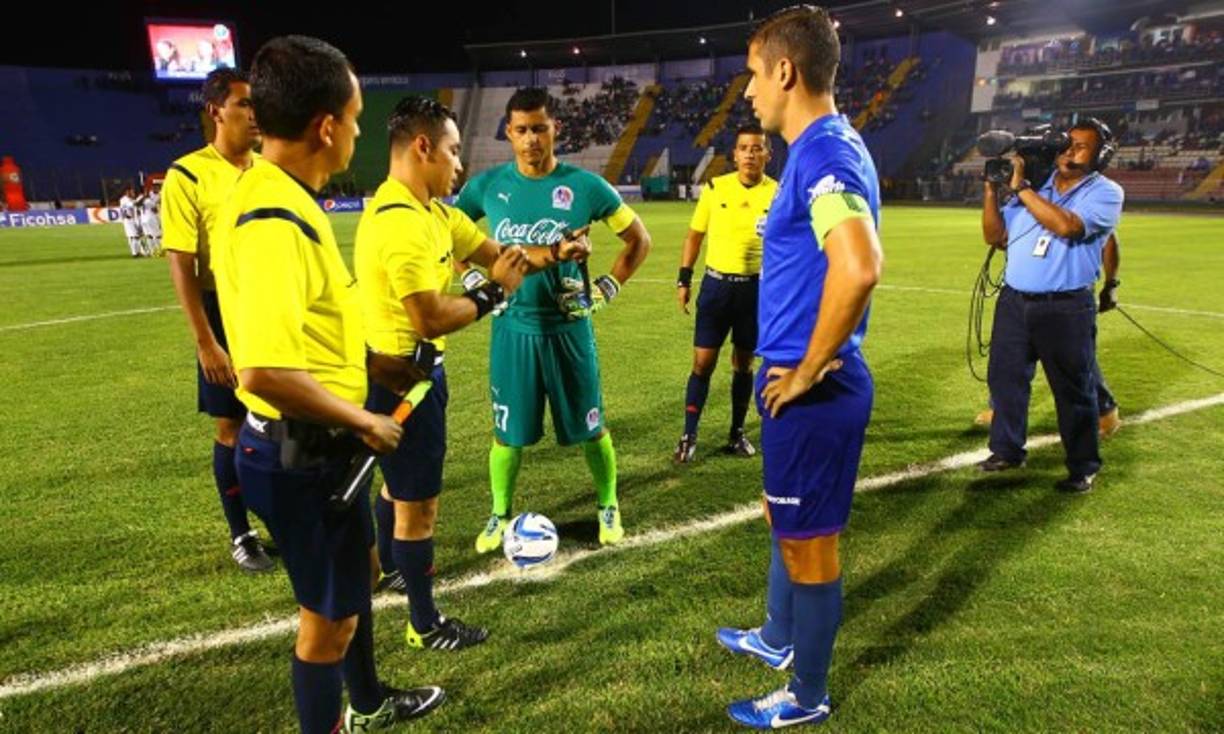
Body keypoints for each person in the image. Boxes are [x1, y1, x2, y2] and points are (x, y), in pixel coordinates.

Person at [212, 36, 444, 733]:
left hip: (314, 451)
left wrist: (372, 369)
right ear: (326, 126)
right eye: (357, 116)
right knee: (325, 627)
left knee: (358, 579)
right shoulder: (273, 220)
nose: (360, 131)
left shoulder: (281, 193)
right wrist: (364, 417)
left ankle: (368, 702)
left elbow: (306, 332)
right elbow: (264, 371)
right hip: (299, 457)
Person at [356, 95, 592, 650]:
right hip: (400, 383)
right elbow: (430, 314)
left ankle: (385, 567)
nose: (461, 166)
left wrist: (556, 252)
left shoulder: (432, 212)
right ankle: (423, 623)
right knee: (419, 506)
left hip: (413, 374)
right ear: (422, 147)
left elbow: (501, 253)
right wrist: (494, 297)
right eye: (453, 152)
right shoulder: (401, 224)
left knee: (396, 488)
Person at [715, 6, 883, 728]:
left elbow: (860, 265)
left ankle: (806, 694)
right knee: (784, 523)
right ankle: (779, 638)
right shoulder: (821, 149)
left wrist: (812, 366)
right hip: (794, 383)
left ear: (786, 70)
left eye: (754, 73)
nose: (749, 90)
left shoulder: (824, 155)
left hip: (812, 391)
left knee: (810, 549)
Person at [453, 87, 652, 552]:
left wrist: (606, 287)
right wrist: (472, 282)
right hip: (512, 329)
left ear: (554, 128)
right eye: (521, 130)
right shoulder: (487, 186)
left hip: (568, 329)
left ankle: (608, 503)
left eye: (539, 128)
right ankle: (499, 513)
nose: (531, 140)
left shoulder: (586, 187)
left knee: (591, 426)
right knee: (507, 434)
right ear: (508, 133)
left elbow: (638, 240)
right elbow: (445, 234)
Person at [162, 68, 275, 572]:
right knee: (230, 426)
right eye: (245, 105)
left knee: (280, 418)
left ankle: (283, 517)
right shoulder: (187, 175)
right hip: (220, 310)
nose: (255, 114)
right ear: (215, 111)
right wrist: (206, 341)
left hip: (269, 304)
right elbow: (181, 264)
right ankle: (242, 534)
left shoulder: (268, 169)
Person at [977, 116, 1124, 493]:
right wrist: (992, 190)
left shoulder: (1105, 192)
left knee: (1072, 389)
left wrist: (1023, 188)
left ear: (1100, 155)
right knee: (1006, 380)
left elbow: (1069, 227)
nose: (1069, 152)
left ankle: (1083, 466)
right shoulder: (1040, 188)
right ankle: (1007, 449)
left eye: (1081, 146)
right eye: (1067, 144)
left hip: (1065, 307)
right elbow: (996, 236)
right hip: (1014, 301)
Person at [673, 123, 777, 463]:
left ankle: (736, 432)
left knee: (743, 365)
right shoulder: (715, 188)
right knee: (702, 363)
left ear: (767, 154)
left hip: (754, 291)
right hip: (716, 288)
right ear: (734, 154)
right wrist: (684, 279)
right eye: (744, 147)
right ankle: (688, 435)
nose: (750, 153)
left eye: (757, 147)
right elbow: (694, 236)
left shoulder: (777, 192)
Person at [975, 232, 1123, 437]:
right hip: (1023, 288)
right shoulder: (1026, 204)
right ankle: (1002, 410)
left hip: (1066, 290)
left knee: (1071, 357)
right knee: (1012, 356)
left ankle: (1104, 410)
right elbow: (1002, 238)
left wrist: (1111, 284)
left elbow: (1107, 239)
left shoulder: (1081, 202)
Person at [119, 186, 145, 257]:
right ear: (127, 192)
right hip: (128, 220)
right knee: (134, 236)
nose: (133, 193)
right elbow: (134, 204)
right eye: (131, 191)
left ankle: (137, 252)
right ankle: (135, 253)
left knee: (134, 236)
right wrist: (141, 197)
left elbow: (136, 205)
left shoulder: (129, 199)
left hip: (132, 219)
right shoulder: (124, 199)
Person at [140, 187, 162, 256]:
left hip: (143, 219)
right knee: (157, 235)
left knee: (149, 236)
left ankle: (151, 251)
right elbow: (154, 209)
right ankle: (159, 250)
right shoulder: (149, 201)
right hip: (151, 219)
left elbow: (136, 205)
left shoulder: (140, 199)